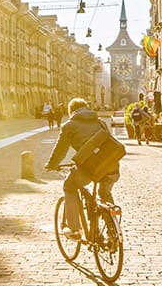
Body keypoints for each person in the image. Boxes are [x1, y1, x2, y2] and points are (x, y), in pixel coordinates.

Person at [44, 98, 121, 241]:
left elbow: (60, 150)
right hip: (111, 166)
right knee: (105, 194)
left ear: (71, 111)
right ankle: (113, 232)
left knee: (70, 187)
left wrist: (51, 164)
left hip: (89, 168)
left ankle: (74, 229)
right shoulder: (100, 123)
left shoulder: (70, 126)